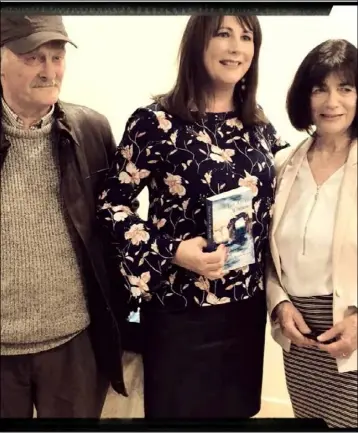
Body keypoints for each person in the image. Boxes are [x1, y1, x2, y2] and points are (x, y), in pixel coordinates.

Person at [97, 15, 289, 419]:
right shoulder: (154, 123)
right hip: (179, 308)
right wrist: (172, 250)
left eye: (246, 36)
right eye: (223, 34)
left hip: (244, 308)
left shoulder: (259, 125)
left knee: (237, 414)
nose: (236, 47)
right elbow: (111, 206)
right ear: (197, 43)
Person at [0, 14, 132, 418]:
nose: (49, 70)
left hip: (73, 345)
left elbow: (114, 231)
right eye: (33, 57)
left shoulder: (92, 131)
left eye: (56, 57)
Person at [266, 39, 357, 428]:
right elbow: (267, 255)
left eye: (346, 88)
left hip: (350, 328)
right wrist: (278, 305)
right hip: (300, 338)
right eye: (320, 88)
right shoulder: (284, 163)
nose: (331, 101)